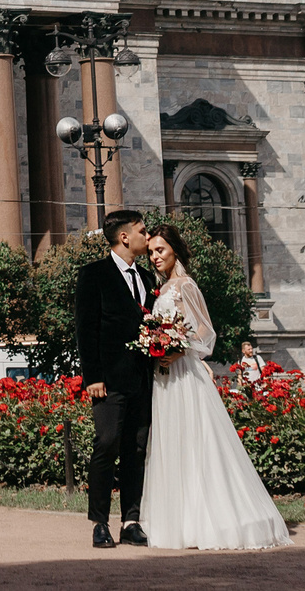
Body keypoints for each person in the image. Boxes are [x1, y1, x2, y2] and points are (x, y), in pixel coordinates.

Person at [141, 222, 289, 551]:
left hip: (184, 375)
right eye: (151, 252)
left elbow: (205, 333)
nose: (154, 257)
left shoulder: (185, 285)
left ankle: (211, 519)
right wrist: (155, 345)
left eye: (160, 250)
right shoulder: (161, 290)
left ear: (174, 249)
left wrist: (178, 348)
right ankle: (179, 523)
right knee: (172, 445)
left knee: (196, 443)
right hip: (164, 378)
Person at [73, 208, 157, 549]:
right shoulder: (93, 275)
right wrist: (92, 376)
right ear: (124, 237)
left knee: (136, 450)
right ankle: (99, 523)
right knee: (106, 445)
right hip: (107, 381)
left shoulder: (148, 279)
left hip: (143, 380)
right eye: (142, 231)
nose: (147, 237)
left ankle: (131, 521)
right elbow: (85, 329)